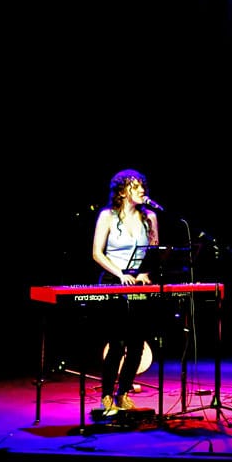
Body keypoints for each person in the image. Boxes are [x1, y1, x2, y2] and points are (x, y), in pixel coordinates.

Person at [91, 169, 160, 415]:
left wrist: (145, 273)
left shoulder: (150, 217)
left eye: (143, 185)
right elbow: (97, 253)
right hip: (114, 280)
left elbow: (153, 253)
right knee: (117, 342)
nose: (142, 190)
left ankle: (124, 393)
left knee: (137, 343)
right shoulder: (107, 216)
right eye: (136, 186)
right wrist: (120, 274)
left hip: (139, 283)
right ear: (122, 191)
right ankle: (107, 395)